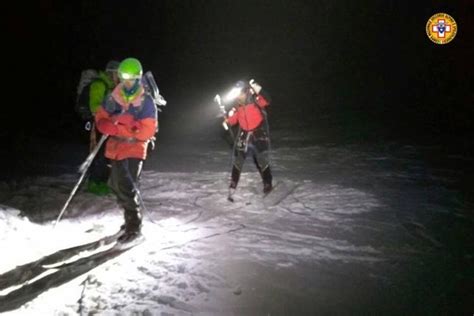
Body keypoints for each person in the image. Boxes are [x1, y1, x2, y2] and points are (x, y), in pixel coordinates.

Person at [95, 57, 158, 241]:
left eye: (131, 79)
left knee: (126, 184)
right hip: (116, 146)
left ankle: (134, 225)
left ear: (138, 79)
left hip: (135, 146)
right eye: (123, 78)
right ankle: (128, 219)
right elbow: (101, 116)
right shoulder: (113, 97)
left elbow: (147, 131)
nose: (127, 82)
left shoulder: (145, 101)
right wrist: (104, 124)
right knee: (114, 185)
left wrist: (126, 126)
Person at [224, 79, 273, 201]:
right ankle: (233, 184)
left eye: (240, 94)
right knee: (239, 160)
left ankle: (268, 183)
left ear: (246, 92)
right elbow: (234, 119)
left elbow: (267, 100)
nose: (239, 96)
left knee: (261, 159)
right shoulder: (238, 106)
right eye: (237, 94)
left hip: (257, 133)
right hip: (244, 134)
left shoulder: (255, 101)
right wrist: (227, 121)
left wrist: (258, 89)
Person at [85, 60, 120, 195]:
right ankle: (94, 183)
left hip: (108, 125)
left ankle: (103, 182)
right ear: (111, 72)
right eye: (118, 73)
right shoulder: (99, 84)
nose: (119, 77)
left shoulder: (112, 87)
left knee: (107, 154)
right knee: (98, 154)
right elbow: (94, 106)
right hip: (98, 125)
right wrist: (109, 112)